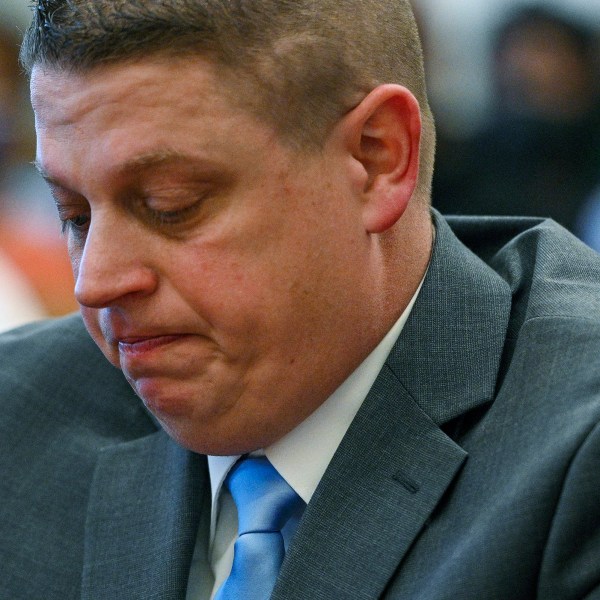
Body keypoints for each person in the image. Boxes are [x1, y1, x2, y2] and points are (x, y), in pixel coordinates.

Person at [1, 1, 599, 598]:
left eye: (170, 204)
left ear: (375, 157)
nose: (94, 282)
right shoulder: (19, 414)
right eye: (73, 215)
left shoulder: (575, 454)